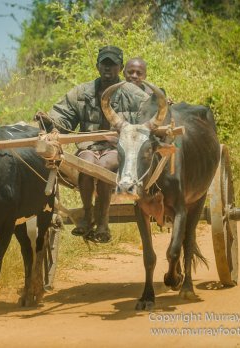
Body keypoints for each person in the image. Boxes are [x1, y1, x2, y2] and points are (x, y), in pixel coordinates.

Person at [35, 46, 149, 243]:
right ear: (97, 66)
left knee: (103, 165)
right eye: (104, 64)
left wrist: (165, 107)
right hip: (88, 148)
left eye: (112, 65)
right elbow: (62, 118)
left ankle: (103, 222)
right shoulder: (81, 92)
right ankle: (88, 216)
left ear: (120, 67)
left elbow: (151, 111)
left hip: (117, 148)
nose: (108, 69)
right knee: (86, 164)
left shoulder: (133, 93)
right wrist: (48, 121)